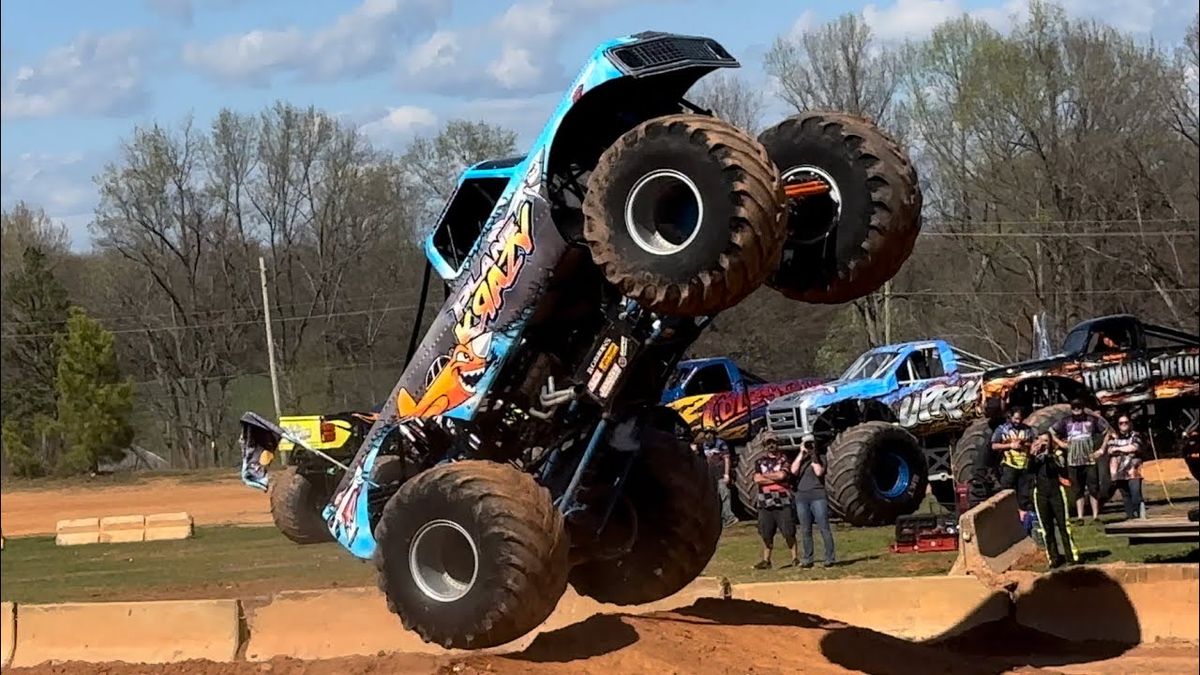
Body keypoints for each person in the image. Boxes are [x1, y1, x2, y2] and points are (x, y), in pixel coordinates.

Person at [1051, 398, 1110, 522]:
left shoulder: (1092, 419)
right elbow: (1051, 431)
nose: (1077, 410)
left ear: (1083, 408)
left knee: (1093, 487)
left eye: (1079, 407)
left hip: (1089, 459)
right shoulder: (1065, 421)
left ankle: (1095, 516)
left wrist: (1101, 449)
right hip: (1073, 460)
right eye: (1074, 407)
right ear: (1071, 409)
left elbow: (1107, 432)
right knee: (1077, 489)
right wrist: (1060, 443)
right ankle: (1080, 516)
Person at [1028, 432, 1079, 568]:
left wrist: (1048, 453)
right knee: (1046, 528)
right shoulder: (1035, 456)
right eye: (1040, 440)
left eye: (1046, 441)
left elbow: (1059, 468)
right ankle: (1053, 558)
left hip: (1056, 492)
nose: (1043, 443)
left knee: (1064, 525)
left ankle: (1071, 556)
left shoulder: (1056, 454)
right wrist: (1033, 454)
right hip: (1041, 493)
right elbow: (1029, 470)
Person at [752, 433, 798, 569]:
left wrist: (765, 477)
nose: (771, 445)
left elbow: (782, 475)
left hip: (783, 500)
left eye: (773, 442)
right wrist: (774, 478)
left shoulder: (784, 460)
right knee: (766, 532)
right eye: (768, 443)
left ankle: (795, 558)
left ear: (777, 444)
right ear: (765, 445)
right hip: (765, 502)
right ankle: (766, 561)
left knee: (788, 531)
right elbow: (756, 479)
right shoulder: (759, 462)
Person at [791, 434, 835, 568]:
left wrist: (813, 455)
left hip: (817, 496)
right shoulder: (800, 459)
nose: (808, 446)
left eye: (810, 443)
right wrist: (801, 453)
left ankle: (829, 557)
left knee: (824, 528)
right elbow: (793, 471)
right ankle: (808, 558)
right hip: (802, 497)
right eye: (806, 443)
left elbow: (819, 472)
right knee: (805, 529)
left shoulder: (820, 458)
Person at [991, 406, 1035, 513]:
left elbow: (1033, 443)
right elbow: (994, 446)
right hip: (1008, 464)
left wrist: (1024, 444)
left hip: (1024, 465)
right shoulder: (1002, 429)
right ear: (1010, 417)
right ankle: (1006, 512)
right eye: (1015, 419)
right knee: (1007, 490)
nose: (1018, 421)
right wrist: (1010, 445)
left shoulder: (1027, 429)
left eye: (1020, 419)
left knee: (1024, 493)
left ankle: (1025, 516)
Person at [1103, 414, 1145, 520]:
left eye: (1126, 422)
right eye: (1121, 423)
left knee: (1135, 493)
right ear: (1118, 425)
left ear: (1130, 423)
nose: (1124, 425)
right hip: (1119, 471)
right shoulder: (1113, 437)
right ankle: (1130, 516)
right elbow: (1109, 450)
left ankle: (1140, 515)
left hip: (1133, 470)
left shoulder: (1136, 435)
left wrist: (1119, 449)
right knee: (1125, 496)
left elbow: (1134, 447)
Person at [699, 428, 738, 527]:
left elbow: (727, 459)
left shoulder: (721, 444)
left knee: (724, 495)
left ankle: (729, 517)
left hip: (721, 474)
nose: (708, 435)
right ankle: (718, 519)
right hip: (711, 475)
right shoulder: (704, 445)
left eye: (710, 433)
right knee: (714, 497)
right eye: (706, 433)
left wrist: (727, 474)